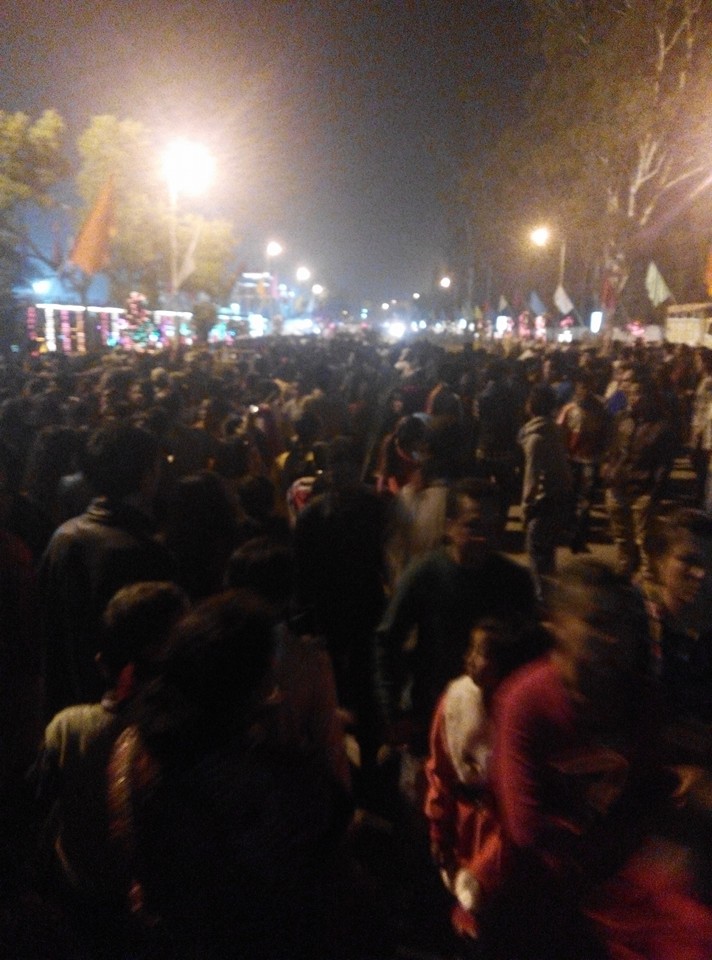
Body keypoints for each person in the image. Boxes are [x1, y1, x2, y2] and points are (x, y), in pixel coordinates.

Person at [485, 559, 712, 960]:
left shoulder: (639, 697)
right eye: (596, 622)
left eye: (621, 624)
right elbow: (528, 831)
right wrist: (634, 839)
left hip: (616, 890)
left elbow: (647, 785)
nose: (612, 639)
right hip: (544, 897)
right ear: (555, 623)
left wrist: (679, 784)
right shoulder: (525, 701)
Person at [108, 589, 353, 960]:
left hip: (162, 937)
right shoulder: (257, 780)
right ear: (240, 687)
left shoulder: (133, 745)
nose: (274, 693)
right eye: (265, 677)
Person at [30, 582, 188, 950]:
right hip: (147, 917)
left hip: (77, 906)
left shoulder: (68, 727)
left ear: (102, 661)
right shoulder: (175, 736)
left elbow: (37, 806)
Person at [375, 477, 537, 765]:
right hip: (433, 712)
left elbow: (531, 651)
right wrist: (392, 712)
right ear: (449, 526)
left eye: (492, 526)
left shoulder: (515, 581)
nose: (484, 537)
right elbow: (388, 640)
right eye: (473, 526)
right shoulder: (424, 575)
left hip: (495, 717)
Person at [39, 424, 177, 717]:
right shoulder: (145, 551)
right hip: (120, 712)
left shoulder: (62, 537)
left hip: (65, 705)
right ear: (146, 476)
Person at [424, 617, 545, 940]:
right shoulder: (455, 702)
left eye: (480, 652)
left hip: (502, 838)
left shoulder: (520, 713)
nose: (469, 658)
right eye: (470, 649)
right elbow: (440, 769)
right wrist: (438, 827)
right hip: (463, 830)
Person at [601, 371, 676, 580]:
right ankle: (624, 581)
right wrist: (608, 469)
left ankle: (647, 586)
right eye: (632, 393)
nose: (635, 398)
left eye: (640, 393)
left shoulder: (661, 427)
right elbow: (612, 447)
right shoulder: (622, 419)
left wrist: (653, 494)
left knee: (645, 546)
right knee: (622, 541)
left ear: (651, 396)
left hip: (642, 492)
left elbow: (664, 464)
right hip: (617, 488)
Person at [518, 383, 573, 598]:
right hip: (559, 498)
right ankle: (550, 596)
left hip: (544, 502)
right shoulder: (555, 430)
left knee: (536, 554)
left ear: (532, 405)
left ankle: (541, 599)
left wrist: (526, 507)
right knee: (548, 553)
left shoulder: (535, 438)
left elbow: (531, 478)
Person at [557, 369, 611, 553]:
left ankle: (579, 534)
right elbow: (560, 434)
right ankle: (571, 531)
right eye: (581, 386)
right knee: (570, 496)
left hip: (591, 460)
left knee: (585, 499)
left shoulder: (601, 408)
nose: (584, 390)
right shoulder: (569, 409)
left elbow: (607, 435)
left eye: (588, 386)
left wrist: (605, 459)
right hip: (571, 459)